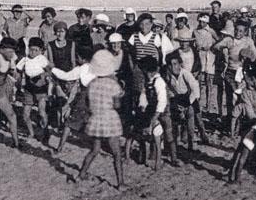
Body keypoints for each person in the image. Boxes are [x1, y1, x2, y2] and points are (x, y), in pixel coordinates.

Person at [77, 50, 125, 190]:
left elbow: (88, 102)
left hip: (96, 118)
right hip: (109, 118)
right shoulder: (113, 85)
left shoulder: (91, 84)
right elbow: (117, 105)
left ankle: (82, 173)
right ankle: (120, 183)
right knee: (116, 152)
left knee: (94, 149)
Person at [212, 20, 256, 133]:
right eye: (236, 30)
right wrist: (223, 53)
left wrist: (249, 58)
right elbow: (215, 47)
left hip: (243, 73)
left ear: (246, 32)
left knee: (242, 98)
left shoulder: (248, 41)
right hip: (230, 72)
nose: (238, 33)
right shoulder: (229, 40)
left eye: (241, 31)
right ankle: (230, 121)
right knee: (230, 98)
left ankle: (240, 123)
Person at [50, 46, 95, 153]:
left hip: (84, 97)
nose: (76, 59)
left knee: (69, 123)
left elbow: (65, 76)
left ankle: (60, 147)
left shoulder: (81, 69)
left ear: (82, 58)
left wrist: (52, 68)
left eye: (77, 57)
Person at [136, 55, 178, 169]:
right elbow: (144, 95)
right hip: (152, 110)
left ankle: (174, 158)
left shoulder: (159, 81)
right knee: (156, 133)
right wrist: (143, 106)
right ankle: (154, 155)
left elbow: (162, 101)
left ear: (147, 70)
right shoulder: (148, 81)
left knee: (169, 134)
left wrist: (156, 116)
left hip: (163, 111)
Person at [127, 12, 174, 98]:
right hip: (139, 68)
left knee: (152, 90)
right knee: (139, 91)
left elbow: (159, 53)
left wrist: (158, 66)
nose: (144, 26)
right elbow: (130, 53)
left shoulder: (155, 36)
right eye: (142, 24)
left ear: (152, 24)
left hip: (152, 68)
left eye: (147, 24)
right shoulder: (134, 36)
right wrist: (132, 67)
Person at [164, 51, 202, 154]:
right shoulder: (168, 75)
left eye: (175, 64)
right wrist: (175, 104)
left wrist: (187, 104)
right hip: (177, 98)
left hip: (190, 97)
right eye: (171, 65)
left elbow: (195, 89)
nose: (173, 67)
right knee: (175, 120)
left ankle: (192, 143)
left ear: (180, 64)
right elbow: (169, 90)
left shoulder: (185, 74)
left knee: (193, 116)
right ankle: (175, 144)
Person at [17, 37, 51, 141]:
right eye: (31, 49)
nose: (33, 52)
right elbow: (18, 71)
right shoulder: (25, 59)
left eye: (36, 50)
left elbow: (49, 71)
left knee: (41, 112)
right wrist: (18, 84)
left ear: (41, 51)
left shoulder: (42, 59)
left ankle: (45, 131)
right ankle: (31, 133)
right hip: (28, 89)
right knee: (25, 114)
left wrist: (43, 76)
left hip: (41, 89)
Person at [46, 21, 76, 133]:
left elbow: (73, 61)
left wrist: (74, 76)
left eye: (62, 31)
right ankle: (59, 123)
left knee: (68, 101)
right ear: (55, 32)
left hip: (69, 75)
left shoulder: (71, 43)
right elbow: (51, 62)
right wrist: (53, 77)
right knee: (59, 101)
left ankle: (65, 122)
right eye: (57, 31)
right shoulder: (50, 44)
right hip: (57, 75)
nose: (60, 34)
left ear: (66, 32)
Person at [194, 13, 218, 116]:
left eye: (203, 22)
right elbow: (192, 43)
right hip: (200, 58)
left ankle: (208, 105)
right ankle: (198, 104)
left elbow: (218, 41)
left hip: (210, 58)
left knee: (209, 82)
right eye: (200, 21)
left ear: (207, 22)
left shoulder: (211, 31)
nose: (201, 23)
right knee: (199, 82)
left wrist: (211, 47)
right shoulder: (195, 31)